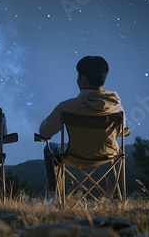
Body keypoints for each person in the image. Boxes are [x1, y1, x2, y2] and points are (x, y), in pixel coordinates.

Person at [38, 56, 126, 195]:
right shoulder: (117, 108)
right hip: (109, 154)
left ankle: (55, 195)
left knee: (49, 149)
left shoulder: (67, 107)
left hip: (73, 155)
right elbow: (120, 132)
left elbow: (44, 132)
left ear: (83, 79)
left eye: (78, 76)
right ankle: (120, 196)